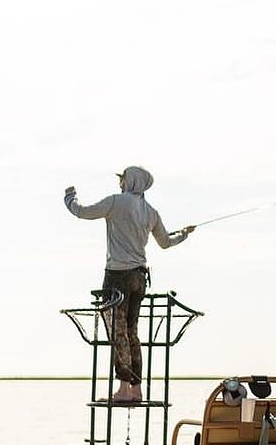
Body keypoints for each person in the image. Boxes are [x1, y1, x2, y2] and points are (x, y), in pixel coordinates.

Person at [63, 166, 194, 403]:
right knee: (132, 332)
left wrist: (69, 197)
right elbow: (165, 242)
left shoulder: (116, 202)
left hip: (117, 276)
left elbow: (82, 212)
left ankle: (123, 389)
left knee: (117, 332)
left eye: (122, 179)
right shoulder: (151, 212)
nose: (120, 183)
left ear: (131, 181)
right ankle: (136, 390)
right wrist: (184, 234)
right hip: (139, 278)